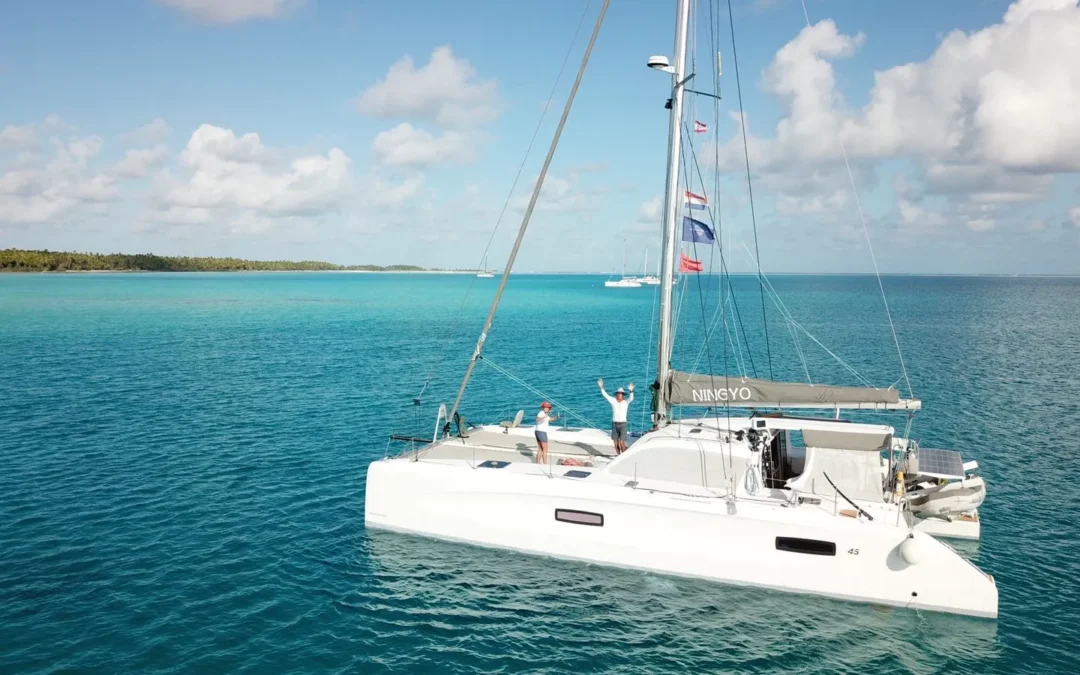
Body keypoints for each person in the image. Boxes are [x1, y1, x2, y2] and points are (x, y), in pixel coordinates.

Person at [598, 378, 634, 454]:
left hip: (623, 424)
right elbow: (606, 396)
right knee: (615, 444)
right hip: (615, 424)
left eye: (620, 394)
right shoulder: (613, 401)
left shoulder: (625, 402)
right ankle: (618, 455)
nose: (619, 395)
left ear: (623, 395)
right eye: (618, 394)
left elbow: (631, 398)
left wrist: (631, 391)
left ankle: (624, 456)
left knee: (621, 442)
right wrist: (601, 388)